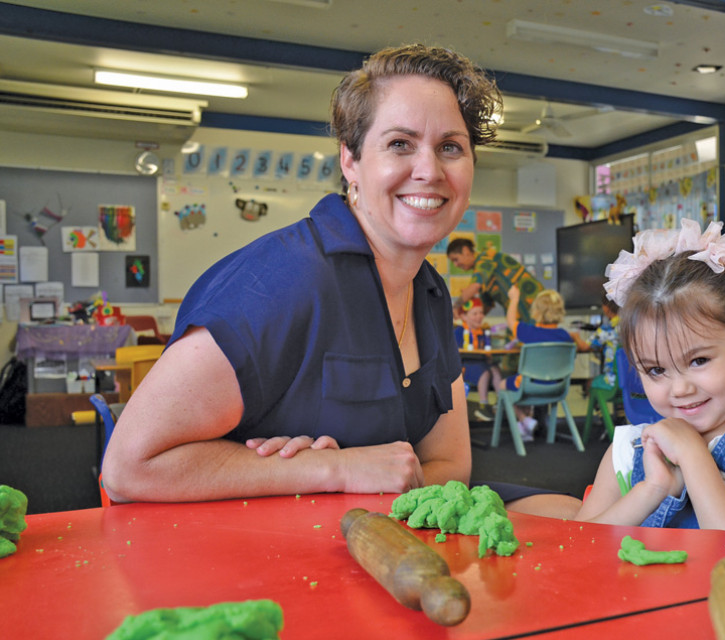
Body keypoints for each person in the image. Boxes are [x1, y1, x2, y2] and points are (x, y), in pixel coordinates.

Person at [101, 44, 505, 503]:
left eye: (450, 147)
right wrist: (333, 468)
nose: (429, 170)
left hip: (365, 547)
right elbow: (129, 466)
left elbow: (452, 466)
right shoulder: (285, 282)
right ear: (350, 160)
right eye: (400, 144)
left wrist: (383, 478)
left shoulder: (429, 293)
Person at [574, 220, 725, 544]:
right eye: (656, 370)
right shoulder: (625, 449)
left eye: (698, 361)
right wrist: (651, 490)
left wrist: (693, 455)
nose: (680, 389)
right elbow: (577, 547)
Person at [503, 285, 592, 441]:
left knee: (502, 385)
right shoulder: (564, 335)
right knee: (520, 385)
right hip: (557, 386)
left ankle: (524, 420)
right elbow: (583, 346)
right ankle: (526, 428)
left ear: (536, 311)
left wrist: (514, 299)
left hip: (529, 386)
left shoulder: (529, 332)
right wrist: (576, 337)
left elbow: (511, 321)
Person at [447, 237, 544, 324]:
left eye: (456, 259)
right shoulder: (482, 273)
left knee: (523, 340)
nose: (456, 265)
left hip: (534, 307)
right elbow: (487, 304)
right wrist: (471, 318)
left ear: (465, 251)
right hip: (518, 312)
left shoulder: (486, 258)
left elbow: (475, 285)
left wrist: (456, 306)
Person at [454, 297, 502, 422]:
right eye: (475, 313)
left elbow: (487, 352)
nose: (479, 316)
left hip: (482, 363)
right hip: (465, 366)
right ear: (464, 316)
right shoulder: (459, 332)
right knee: (484, 372)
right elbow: (454, 353)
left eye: (481, 313)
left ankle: (500, 402)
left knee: (496, 371)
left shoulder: (483, 333)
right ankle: (483, 405)